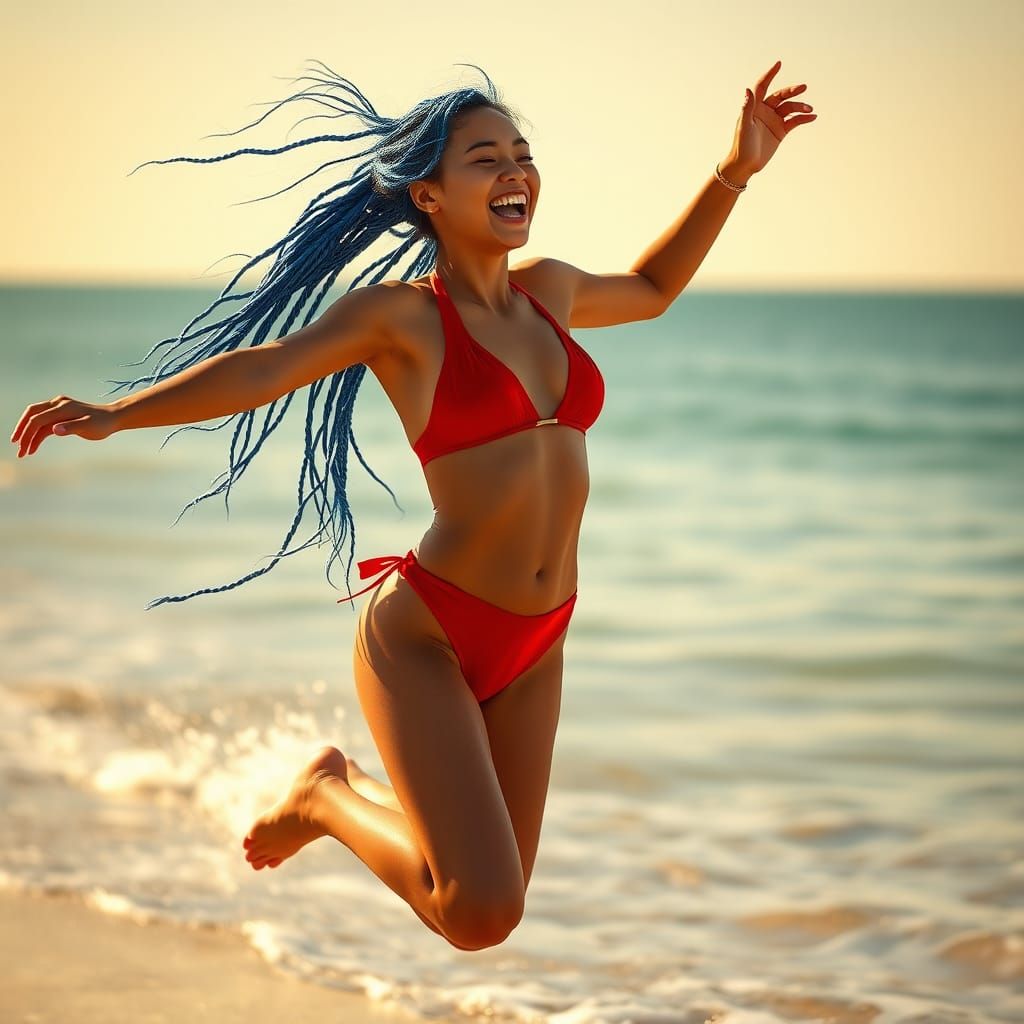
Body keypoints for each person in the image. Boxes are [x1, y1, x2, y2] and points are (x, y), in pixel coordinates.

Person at [9, 60, 815, 951]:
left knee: (490, 903)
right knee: (478, 910)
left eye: (522, 153)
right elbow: (266, 368)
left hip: (539, 639)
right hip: (428, 634)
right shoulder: (402, 319)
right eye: (485, 158)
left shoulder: (550, 293)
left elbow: (654, 290)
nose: (515, 171)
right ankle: (325, 794)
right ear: (427, 194)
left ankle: (329, 794)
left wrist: (734, 169)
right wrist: (120, 413)